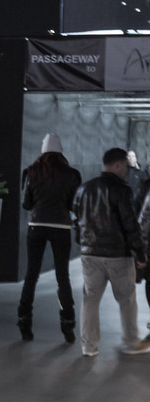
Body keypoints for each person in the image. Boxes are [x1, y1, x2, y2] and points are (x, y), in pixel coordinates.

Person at [72, 147, 150, 357]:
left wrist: (83, 242)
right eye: (125, 166)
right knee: (127, 300)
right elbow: (130, 224)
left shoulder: (84, 189)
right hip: (118, 255)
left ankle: (88, 346)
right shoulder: (122, 190)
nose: (126, 170)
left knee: (90, 299)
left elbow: (76, 221)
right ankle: (131, 343)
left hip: (90, 254)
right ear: (117, 165)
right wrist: (140, 254)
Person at [16, 134, 83, 342]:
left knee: (31, 276)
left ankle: (24, 321)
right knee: (62, 276)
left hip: (36, 226)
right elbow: (74, 204)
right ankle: (68, 325)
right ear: (60, 151)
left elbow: (26, 204)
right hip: (61, 226)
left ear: (42, 150)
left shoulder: (31, 172)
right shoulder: (72, 175)